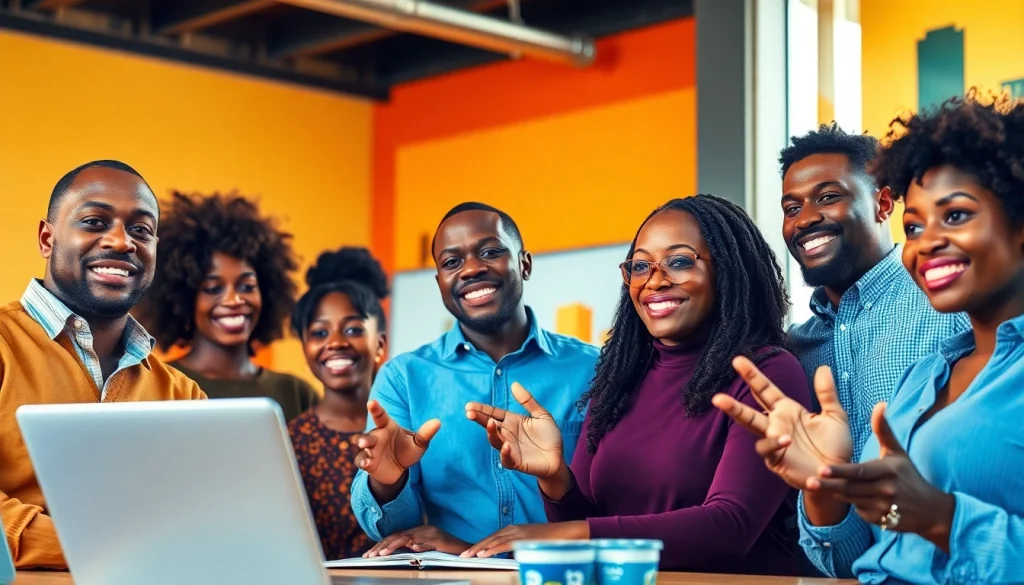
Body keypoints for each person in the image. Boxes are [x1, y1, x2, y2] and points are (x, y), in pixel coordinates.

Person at [714, 92, 1024, 583]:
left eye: (957, 215)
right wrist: (825, 488)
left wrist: (942, 516)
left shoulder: (949, 328)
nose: (927, 242)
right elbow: (882, 547)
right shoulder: (928, 376)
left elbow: (932, 523)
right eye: (916, 225)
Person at [462, 195, 813, 575]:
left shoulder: (768, 372)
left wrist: (567, 534)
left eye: (679, 262)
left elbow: (730, 527)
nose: (654, 281)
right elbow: (593, 523)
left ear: (728, 270)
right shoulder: (620, 377)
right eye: (640, 266)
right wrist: (556, 480)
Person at [351, 202, 600, 557]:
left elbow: (619, 506)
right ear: (440, 283)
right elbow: (393, 531)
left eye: (490, 252)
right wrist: (388, 481)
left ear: (524, 264)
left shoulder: (595, 369)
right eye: (452, 262)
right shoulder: (402, 378)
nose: (471, 269)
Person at [0, 160, 205, 570]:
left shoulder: (184, 395)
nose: (122, 242)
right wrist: (100, 546)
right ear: (47, 238)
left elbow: (206, 521)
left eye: (141, 230)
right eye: (95, 222)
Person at [780, 123, 970, 461]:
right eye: (792, 208)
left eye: (828, 197)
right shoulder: (794, 350)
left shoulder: (952, 306)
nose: (805, 219)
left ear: (882, 204)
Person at [137, 192, 318, 422]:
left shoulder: (296, 394)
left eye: (247, 286)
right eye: (213, 289)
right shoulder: (158, 384)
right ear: (183, 299)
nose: (234, 300)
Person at [288, 247, 387, 560]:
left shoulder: (407, 428)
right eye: (320, 332)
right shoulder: (289, 441)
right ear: (305, 349)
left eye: (353, 329)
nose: (336, 342)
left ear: (380, 345)